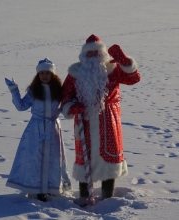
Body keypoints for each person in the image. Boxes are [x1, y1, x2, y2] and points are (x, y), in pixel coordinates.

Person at [61, 34, 141, 206]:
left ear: (103, 54)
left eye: (96, 53)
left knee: (109, 158)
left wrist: (124, 61)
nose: (92, 56)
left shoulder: (113, 69)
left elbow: (134, 79)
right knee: (85, 157)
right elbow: (65, 96)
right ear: (83, 55)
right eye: (89, 53)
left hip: (108, 120)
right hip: (85, 120)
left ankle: (107, 197)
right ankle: (84, 196)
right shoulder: (75, 73)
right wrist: (71, 107)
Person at [5, 58, 72, 202]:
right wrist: (14, 91)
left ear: (52, 74)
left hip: (53, 129)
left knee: (52, 159)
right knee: (35, 159)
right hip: (35, 130)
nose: (44, 76)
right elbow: (21, 106)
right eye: (41, 73)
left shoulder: (59, 91)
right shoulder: (33, 91)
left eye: (47, 73)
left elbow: (66, 107)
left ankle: (51, 188)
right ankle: (37, 189)